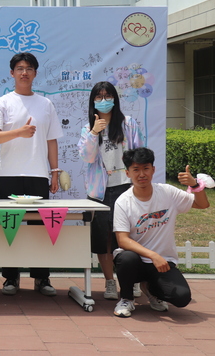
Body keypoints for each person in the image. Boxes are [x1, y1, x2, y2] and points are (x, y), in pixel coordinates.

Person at [0, 52, 63, 297]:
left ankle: (42, 278)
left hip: (38, 175)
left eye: (29, 68)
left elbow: (52, 140)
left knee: (40, 228)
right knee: (11, 227)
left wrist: (54, 172)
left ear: (35, 73)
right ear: (12, 73)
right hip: (9, 175)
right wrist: (18, 132)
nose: (24, 72)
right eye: (19, 68)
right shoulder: (2, 103)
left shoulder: (45, 104)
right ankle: (10, 277)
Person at [112, 147, 210, 317]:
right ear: (128, 173)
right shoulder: (123, 202)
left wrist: (195, 185)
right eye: (136, 169)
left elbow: (202, 204)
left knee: (182, 298)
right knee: (126, 258)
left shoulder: (167, 192)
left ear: (153, 170)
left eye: (146, 168)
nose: (141, 174)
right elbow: (122, 240)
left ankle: (151, 289)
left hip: (163, 262)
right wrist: (153, 255)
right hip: (136, 261)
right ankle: (126, 298)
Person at [78, 81, 145, 300]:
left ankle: (132, 280)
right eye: (99, 97)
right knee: (103, 239)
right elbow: (87, 157)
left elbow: (140, 154)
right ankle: (109, 282)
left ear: (115, 99)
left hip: (126, 188)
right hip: (99, 192)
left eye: (108, 96)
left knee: (127, 237)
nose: (104, 100)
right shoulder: (88, 128)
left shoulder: (128, 124)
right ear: (93, 101)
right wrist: (93, 133)